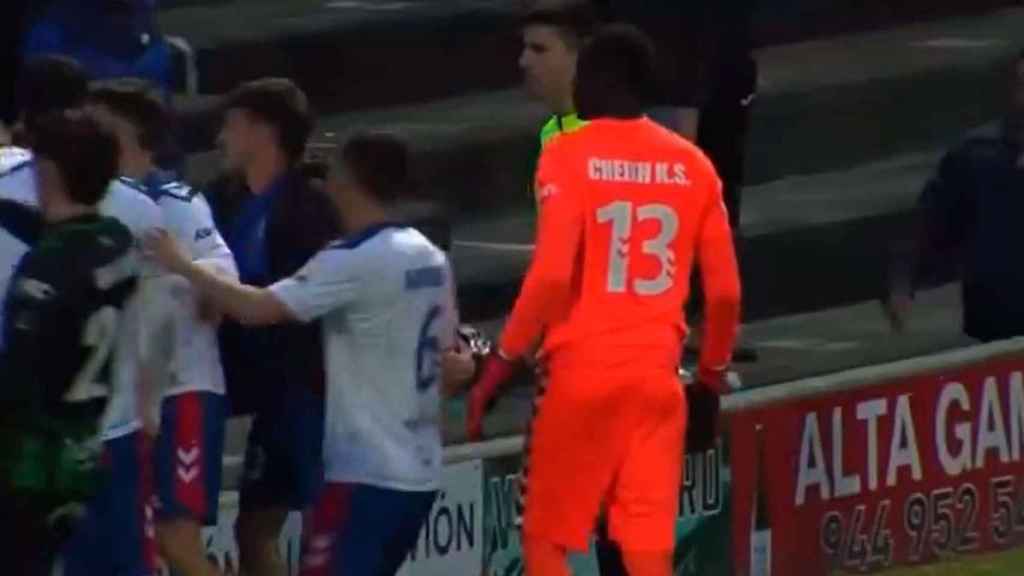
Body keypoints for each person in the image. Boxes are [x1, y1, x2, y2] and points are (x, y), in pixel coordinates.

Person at [465, 25, 741, 576]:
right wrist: (708, 382)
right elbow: (726, 294)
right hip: (656, 384)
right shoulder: (693, 165)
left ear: (593, 80)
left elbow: (548, 278)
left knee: (546, 542)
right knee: (644, 551)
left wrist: (500, 364)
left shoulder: (567, 153)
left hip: (580, 380)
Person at [146, 132, 461, 576]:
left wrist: (180, 263)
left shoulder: (356, 259)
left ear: (348, 181)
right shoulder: (429, 256)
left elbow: (256, 309)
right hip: (420, 471)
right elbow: (452, 362)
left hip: (365, 474)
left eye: (333, 170)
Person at [0, 56, 165, 576]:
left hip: (29, 447)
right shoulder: (134, 218)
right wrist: (149, 410)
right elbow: (153, 326)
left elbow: (25, 367)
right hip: (105, 435)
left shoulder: (42, 260)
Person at [85, 78, 238, 576]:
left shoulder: (172, 202)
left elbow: (224, 275)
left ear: (138, 144)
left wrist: (183, 270)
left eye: (105, 131)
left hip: (183, 390)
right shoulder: (92, 200)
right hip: (131, 401)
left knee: (177, 543)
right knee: (140, 544)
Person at [206, 77, 339, 576]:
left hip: (314, 391)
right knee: (254, 525)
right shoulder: (223, 199)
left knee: (320, 529)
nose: (219, 139)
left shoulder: (313, 208)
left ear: (263, 132)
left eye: (231, 126)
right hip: (269, 391)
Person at [886, 49, 1024, 342]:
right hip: (995, 326)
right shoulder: (975, 154)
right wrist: (901, 285)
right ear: (1012, 89)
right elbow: (927, 224)